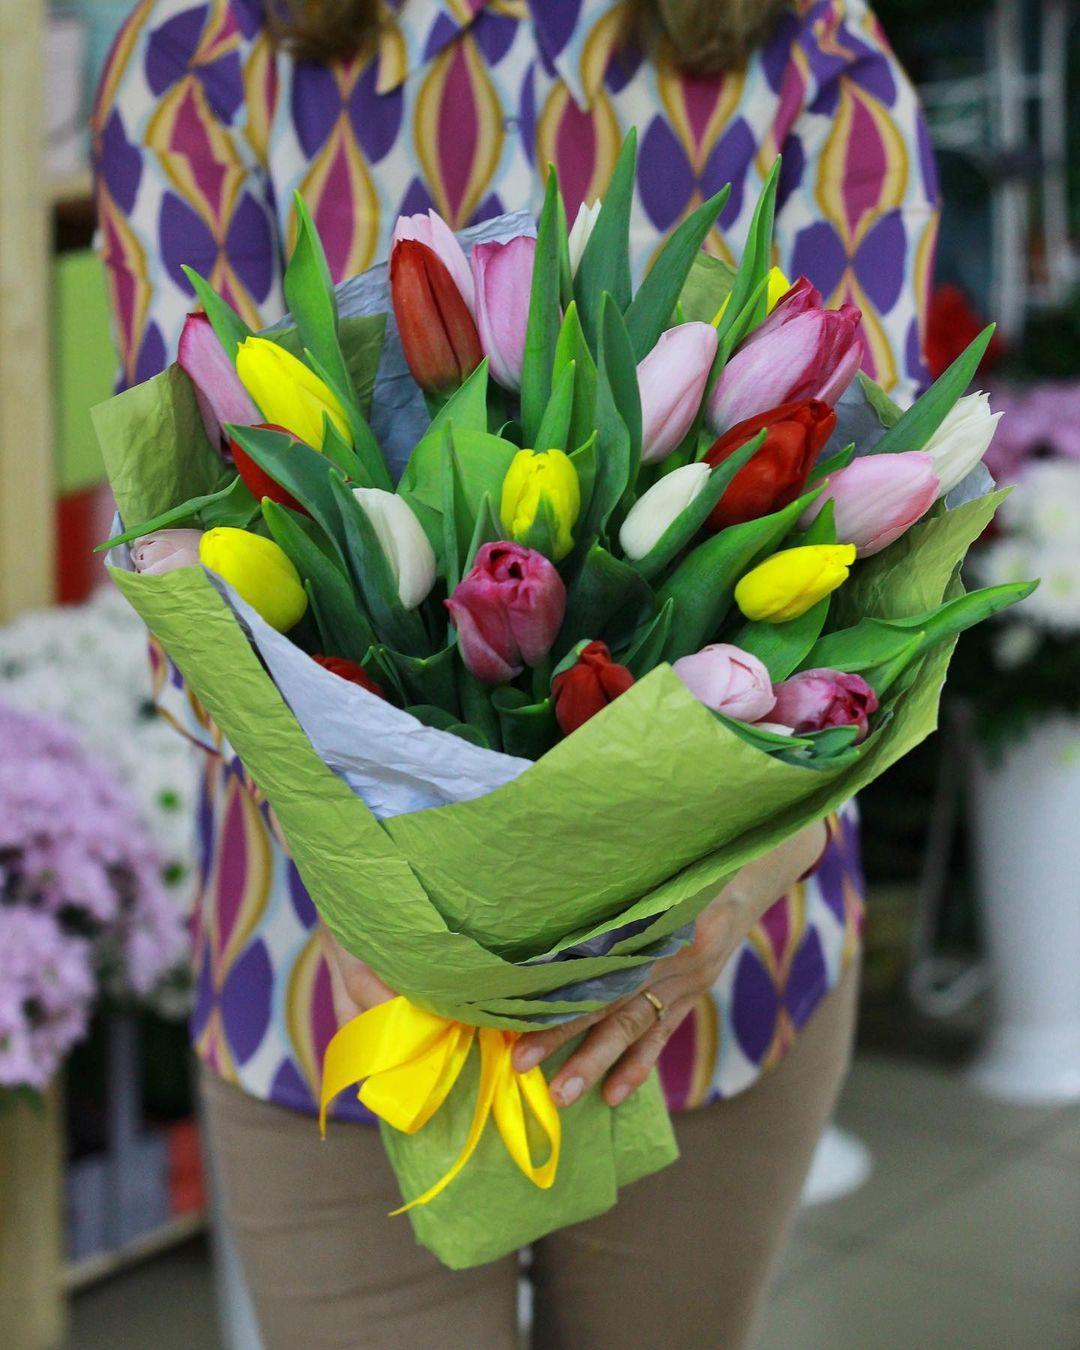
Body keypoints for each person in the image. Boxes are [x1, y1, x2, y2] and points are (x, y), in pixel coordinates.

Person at [94, 1, 938, 1345]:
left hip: (709, 978)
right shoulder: (206, 48)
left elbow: (883, 524)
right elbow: (181, 519)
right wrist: (373, 895)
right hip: (328, 975)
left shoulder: (815, 53)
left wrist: (732, 886)